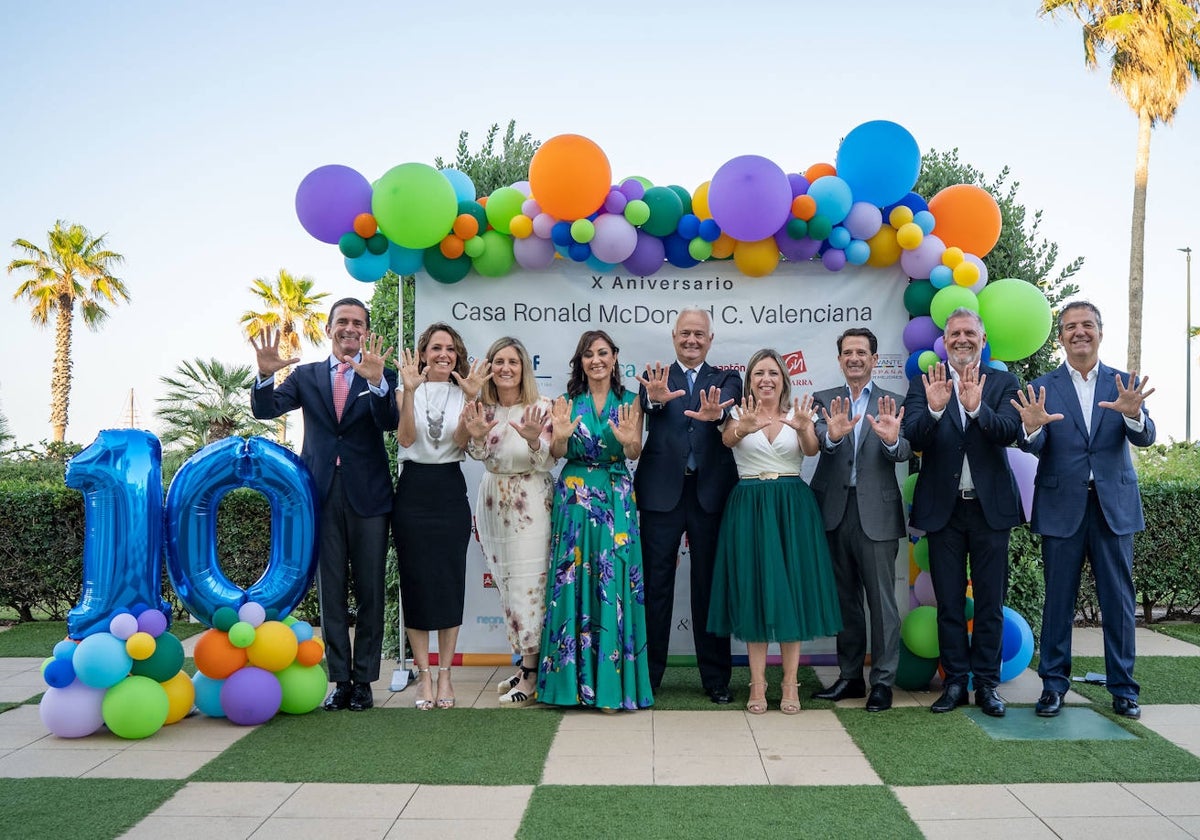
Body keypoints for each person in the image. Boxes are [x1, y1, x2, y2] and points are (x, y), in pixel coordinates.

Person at [250, 297, 398, 712]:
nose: (350, 328)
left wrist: (378, 383)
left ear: (366, 332)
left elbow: (389, 422)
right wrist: (264, 374)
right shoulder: (307, 375)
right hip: (320, 495)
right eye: (342, 322)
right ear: (329, 328)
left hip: (369, 496)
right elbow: (267, 410)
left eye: (357, 323)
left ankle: (365, 681)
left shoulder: (379, 375)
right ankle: (341, 681)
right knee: (330, 591)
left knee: (370, 590)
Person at [1012, 301, 1156, 719]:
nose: (1079, 332)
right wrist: (1032, 426)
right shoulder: (1043, 385)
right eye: (1071, 326)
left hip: (1113, 506)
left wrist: (1133, 416)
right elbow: (1032, 445)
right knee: (1058, 601)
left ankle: (1124, 689)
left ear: (1099, 332)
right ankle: (1053, 686)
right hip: (1062, 505)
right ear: (1060, 337)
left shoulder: (1124, 383)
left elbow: (1145, 436)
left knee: (1118, 600)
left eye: (1087, 325)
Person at [708, 349, 842, 715]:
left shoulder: (800, 412)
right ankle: (757, 684)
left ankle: (789, 682)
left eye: (773, 373)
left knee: (792, 593)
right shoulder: (737, 413)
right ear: (749, 379)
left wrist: (803, 428)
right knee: (754, 592)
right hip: (749, 506)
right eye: (758, 374)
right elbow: (727, 440)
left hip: (792, 506)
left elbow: (812, 450)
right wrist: (742, 427)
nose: (766, 379)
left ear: (784, 378)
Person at [902, 307, 1022, 717]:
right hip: (944, 511)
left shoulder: (1004, 382)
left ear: (982, 340)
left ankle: (987, 685)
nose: (962, 339)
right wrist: (936, 409)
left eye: (970, 332)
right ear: (945, 341)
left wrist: (976, 409)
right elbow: (912, 436)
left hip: (990, 511)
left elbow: (1009, 431)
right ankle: (954, 683)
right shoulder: (925, 384)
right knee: (949, 603)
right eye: (955, 333)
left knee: (990, 602)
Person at [538, 329, 653, 711]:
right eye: (588, 354)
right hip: (574, 500)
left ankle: (610, 688)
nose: (596, 360)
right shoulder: (565, 402)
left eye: (603, 353)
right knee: (573, 584)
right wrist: (560, 436)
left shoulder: (632, 401)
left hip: (616, 496)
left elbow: (634, 450)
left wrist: (626, 439)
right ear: (580, 361)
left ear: (615, 357)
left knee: (612, 587)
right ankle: (568, 688)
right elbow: (555, 451)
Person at [635, 308, 742, 704]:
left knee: (710, 587)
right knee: (655, 585)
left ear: (710, 339)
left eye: (699, 334)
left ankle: (716, 679)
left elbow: (729, 406)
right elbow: (648, 406)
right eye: (685, 333)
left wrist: (719, 414)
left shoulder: (727, 378)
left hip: (711, 494)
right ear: (673, 336)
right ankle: (648, 676)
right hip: (662, 495)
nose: (692, 340)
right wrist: (655, 401)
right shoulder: (658, 378)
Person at [811, 328, 911, 712]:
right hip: (834, 511)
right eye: (847, 352)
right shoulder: (824, 400)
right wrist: (833, 436)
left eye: (861, 352)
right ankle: (850, 677)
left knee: (882, 603)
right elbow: (819, 439)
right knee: (844, 600)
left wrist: (890, 441)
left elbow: (903, 451)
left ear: (873, 358)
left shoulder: (894, 402)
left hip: (877, 514)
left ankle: (882, 682)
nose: (854, 358)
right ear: (839, 359)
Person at [394, 322, 489, 710]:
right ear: (423, 353)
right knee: (415, 583)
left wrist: (472, 400)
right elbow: (405, 440)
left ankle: (446, 674)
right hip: (413, 491)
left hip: (449, 490)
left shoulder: (464, 393)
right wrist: (411, 392)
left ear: (457, 355)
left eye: (450, 348)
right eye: (436, 347)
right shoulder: (406, 390)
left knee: (450, 582)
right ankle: (424, 676)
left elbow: (462, 444)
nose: (443, 354)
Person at [461, 337, 555, 708]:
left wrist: (533, 442)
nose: (505, 368)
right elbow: (476, 453)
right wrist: (479, 437)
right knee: (506, 586)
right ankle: (523, 664)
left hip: (530, 502)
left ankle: (532, 676)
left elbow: (548, 460)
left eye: (513, 361)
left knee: (528, 588)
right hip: (492, 502)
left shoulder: (542, 407)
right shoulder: (482, 408)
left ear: (523, 367)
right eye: (498, 361)